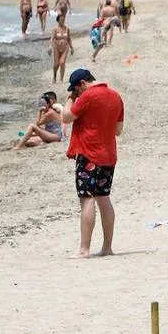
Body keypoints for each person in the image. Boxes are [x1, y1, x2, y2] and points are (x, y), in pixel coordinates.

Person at [61, 69, 124, 258]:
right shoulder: (115, 96)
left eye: (75, 89)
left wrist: (70, 98)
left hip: (88, 154)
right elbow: (118, 130)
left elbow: (66, 117)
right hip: (108, 154)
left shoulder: (87, 96)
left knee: (87, 199)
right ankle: (107, 247)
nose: (76, 93)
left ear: (81, 83)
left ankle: (84, 249)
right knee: (104, 198)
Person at [49, 13, 73, 83]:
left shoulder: (67, 29)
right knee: (56, 64)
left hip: (65, 48)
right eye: (61, 20)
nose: (62, 21)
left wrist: (72, 48)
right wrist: (50, 46)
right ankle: (54, 76)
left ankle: (61, 79)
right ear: (58, 21)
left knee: (62, 62)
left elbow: (69, 39)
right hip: (56, 47)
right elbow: (52, 38)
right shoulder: (55, 29)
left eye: (63, 20)